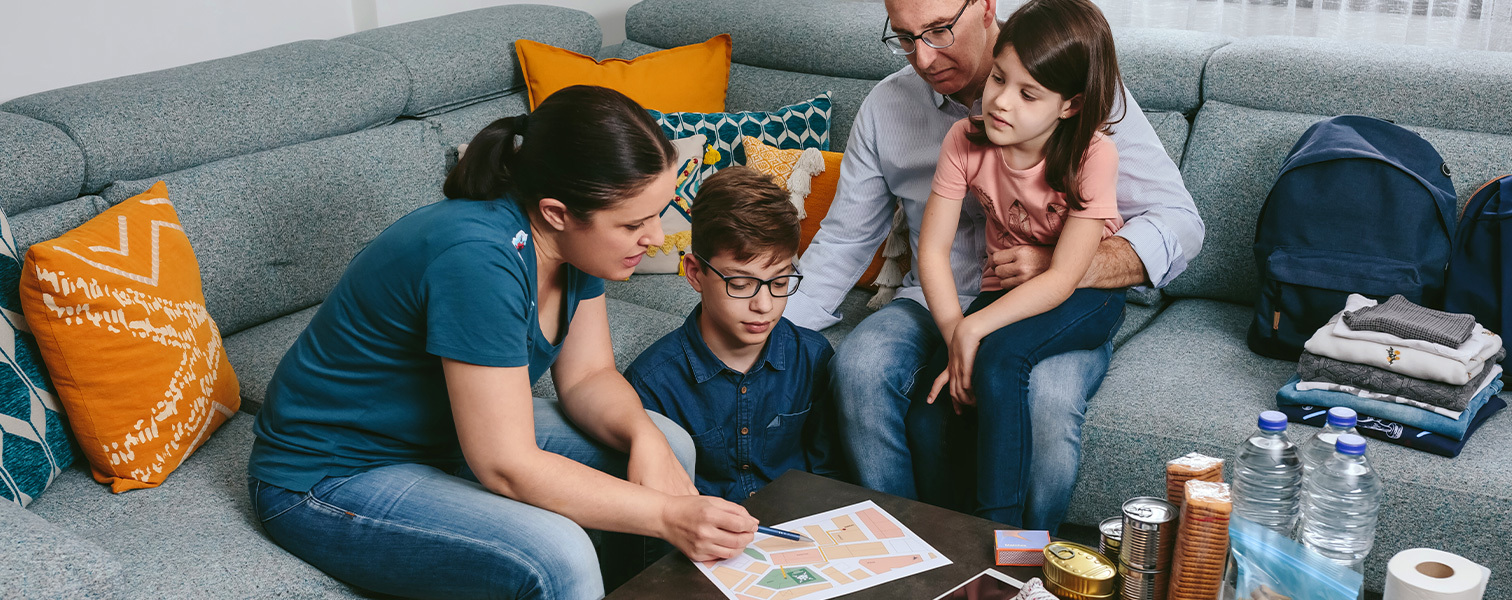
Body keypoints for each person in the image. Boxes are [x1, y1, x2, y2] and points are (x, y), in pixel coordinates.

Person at [246, 85, 758, 600]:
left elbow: (588, 377)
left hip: (441, 432)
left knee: (666, 442)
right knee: (559, 552)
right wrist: (669, 514)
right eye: (632, 223)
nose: (654, 236)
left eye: (657, 212)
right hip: (329, 474)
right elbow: (505, 463)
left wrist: (643, 439)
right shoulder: (478, 258)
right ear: (557, 212)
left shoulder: (578, 249)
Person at [783, 0, 1204, 532]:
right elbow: (844, 239)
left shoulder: (1079, 88)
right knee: (860, 367)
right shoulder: (891, 109)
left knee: (1042, 399)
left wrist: (1061, 265)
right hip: (938, 299)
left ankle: (1026, 561)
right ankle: (914, 551)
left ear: (985, 7)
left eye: (939, 31)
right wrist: (769, 334)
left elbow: (1180, 223)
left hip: (1054, 300)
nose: (924, 57)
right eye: (905, 37)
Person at [920, 0, 1129, 527]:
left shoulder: (1092, 154)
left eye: (1028, 93)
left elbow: (1063, 277)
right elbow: (932, 251)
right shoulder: (964, 140)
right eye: (998, 79)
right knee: (938, 398)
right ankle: (949, 535)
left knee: (1000, 360)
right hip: (1005, 290)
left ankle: (1003, 541)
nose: (1001, 102)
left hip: (1084, 295)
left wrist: (977, 331)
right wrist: (955, 335)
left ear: (1070, 105)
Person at [626, 167, 844, 502]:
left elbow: (829, 477)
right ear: (696, 273)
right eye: (740, 284)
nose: (764, 305)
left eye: (780, 282)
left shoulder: (812, 358)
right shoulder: (651, 384)